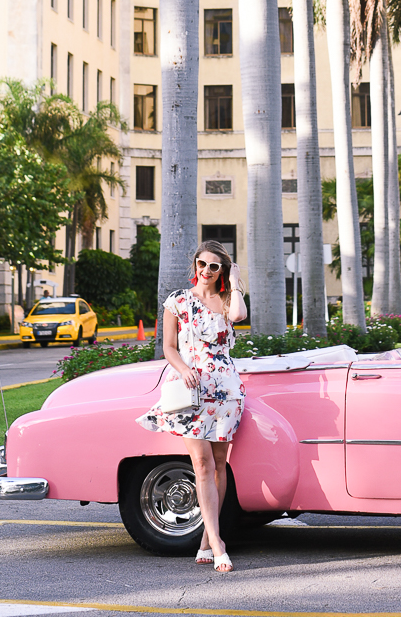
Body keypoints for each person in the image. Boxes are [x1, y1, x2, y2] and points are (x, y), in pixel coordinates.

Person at [156, 241, 248, 572]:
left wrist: (234, 281)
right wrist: (183, 370)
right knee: (202, 464)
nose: (205, 271)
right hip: (190, 391)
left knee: (220, 466)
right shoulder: (178, 301)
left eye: (214, 266)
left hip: (225, 392)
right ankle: (218, 543)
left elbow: (239, 315)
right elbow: (168, 347)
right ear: (194, 264)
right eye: (201, 263)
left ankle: (207, 540)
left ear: (222, 270)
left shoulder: (226, 300)